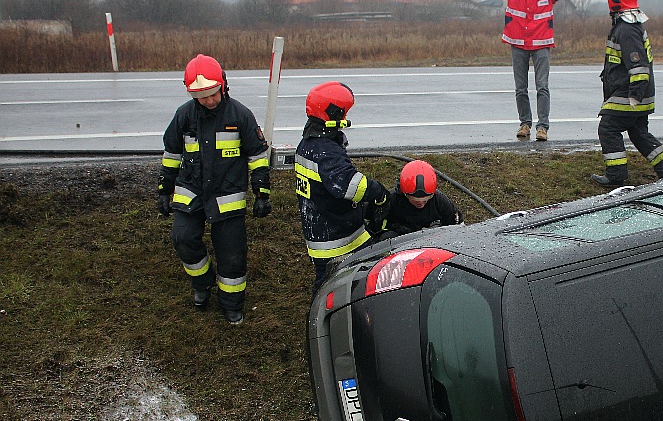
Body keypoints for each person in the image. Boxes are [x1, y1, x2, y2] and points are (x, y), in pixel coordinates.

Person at [157, 54, 271, 325]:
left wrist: (262, 193)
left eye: (212, 94)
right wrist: (164, 188)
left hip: (227, 196)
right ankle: (202, 284)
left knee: (232, 254)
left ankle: (231, 303)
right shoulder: (184, 115)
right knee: (182, 238)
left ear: (223, 86)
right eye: (202, 96)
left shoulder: (240, 116)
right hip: (191, 190)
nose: (208, 101)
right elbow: (172, 153)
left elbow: (257, 156)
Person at [294, 82, 389, 294]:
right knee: (329, 287)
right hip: (336, 238)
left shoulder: (308, 143)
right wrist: (379, 193)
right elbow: (349, 185)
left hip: (324, 229)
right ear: (333, 113)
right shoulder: (325, 151)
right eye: (343, 112)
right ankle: (322, 321)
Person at [591, 0, 663, 186]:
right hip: (636, 94)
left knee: (608, 128)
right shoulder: (630, 25)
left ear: (614, 2)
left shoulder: (626, 30)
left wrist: (634, 96)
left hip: (629, 94)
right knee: (639, 133)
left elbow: (638, 67)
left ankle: (616, 175)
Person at [492, 0, 571, 142]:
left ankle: (542, 127)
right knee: (521, 88)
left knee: (542, 86)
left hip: (541, 43)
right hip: (518, 43)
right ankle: (525, 124)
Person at [372, 160, 463, 240]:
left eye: (425, 200)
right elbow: (375, 227)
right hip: (400, 242)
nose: (421, 204)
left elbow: (458, 229)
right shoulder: (391, 201)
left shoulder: (440, 201)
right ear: (404, 194)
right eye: (415, 201)